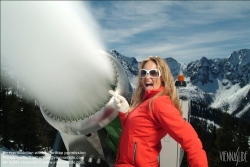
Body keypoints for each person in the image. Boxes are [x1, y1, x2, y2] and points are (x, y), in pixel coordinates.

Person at [109, 56, 208, 167]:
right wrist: (124, 112)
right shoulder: (145, 101)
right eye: (143, 73)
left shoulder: (159, 103)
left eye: (153, 73)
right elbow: (134, 132)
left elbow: (191, 141)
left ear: (163, 77)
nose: (147, 77)